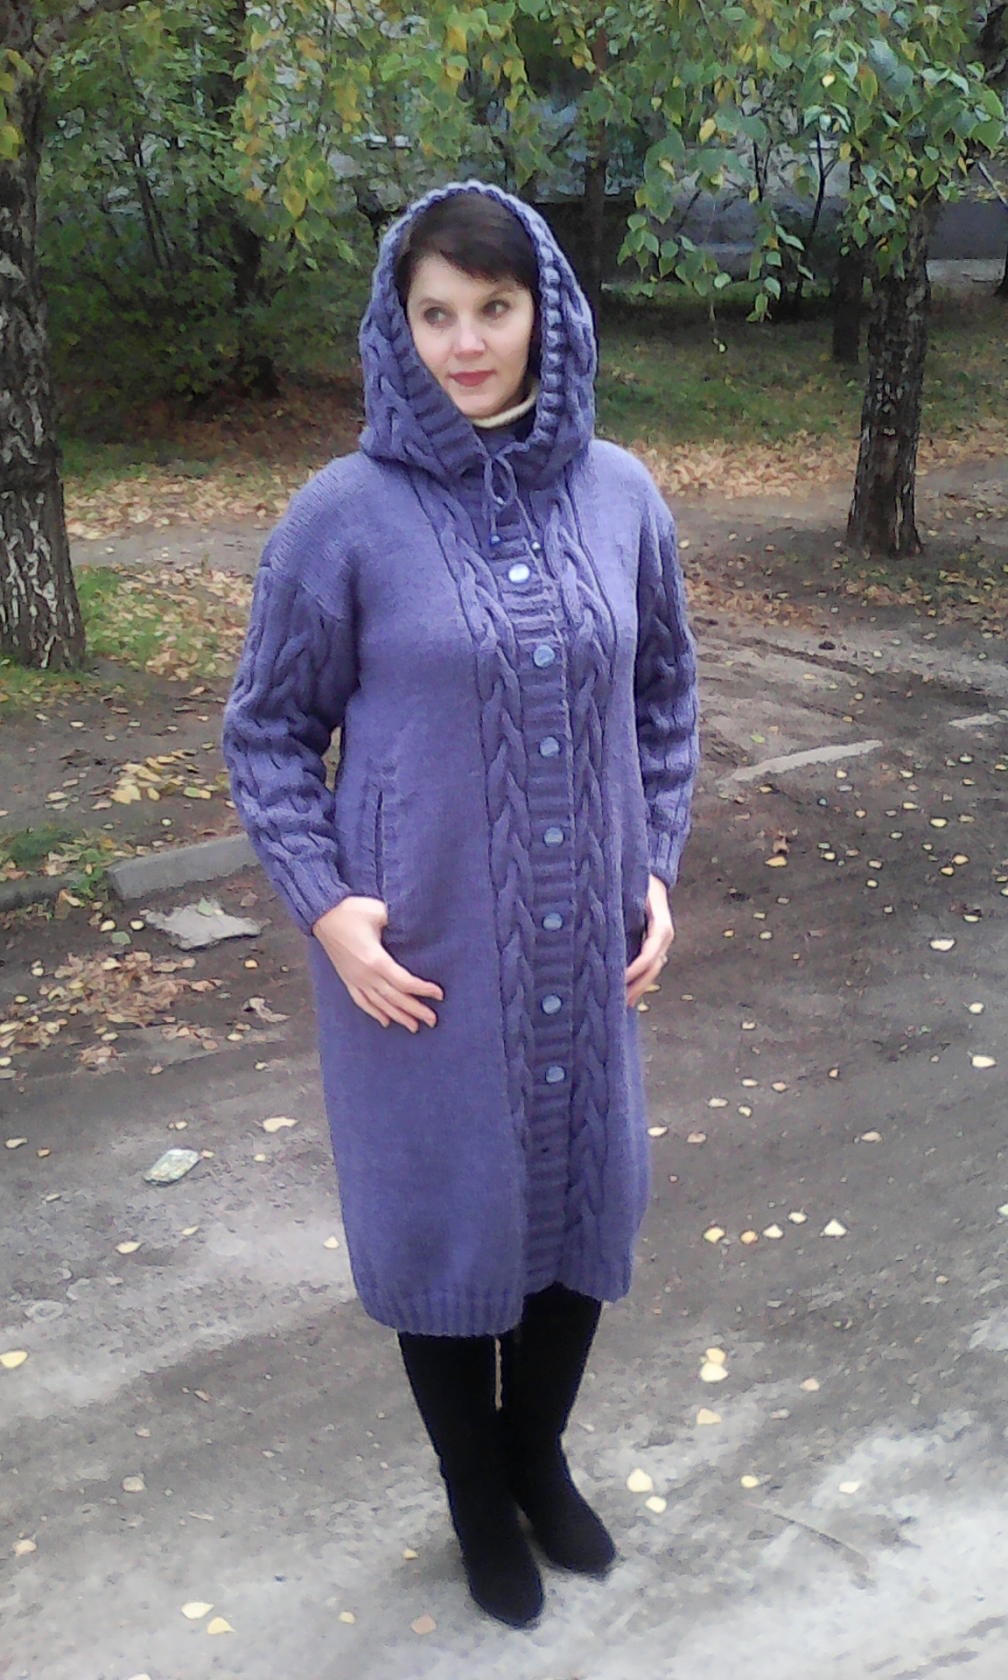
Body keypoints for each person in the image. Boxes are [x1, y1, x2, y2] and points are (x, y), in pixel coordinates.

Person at [222, 180, 699, 1629]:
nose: (468, 342)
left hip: (588, 949)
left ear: (547, 311)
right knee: (447, 1224)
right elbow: (266, 732)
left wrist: (656, 865)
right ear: (399, 327)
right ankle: (475, 1493)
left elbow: (664, 695)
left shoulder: (621, 494)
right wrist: (329, 911)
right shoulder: (343, 517)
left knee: (578, 1207)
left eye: (495, 307)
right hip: (418, 960)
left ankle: (535, 1455)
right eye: (436, 313)